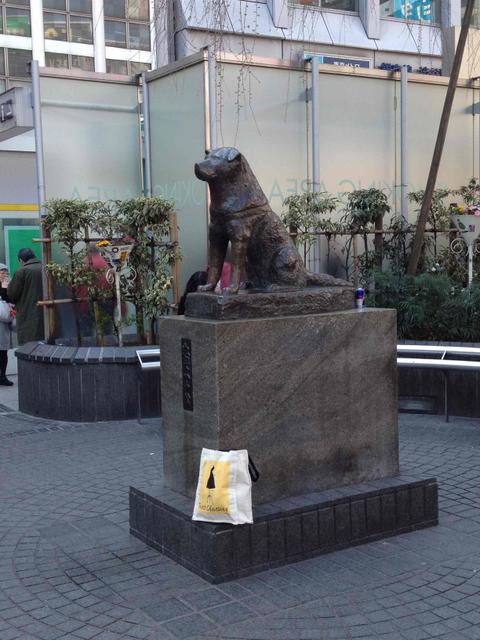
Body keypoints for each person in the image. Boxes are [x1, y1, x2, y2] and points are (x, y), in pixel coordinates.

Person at [7, 248, 44, 346]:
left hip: (28, 316)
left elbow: (12, 295)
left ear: (21, 260)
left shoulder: (21, 271)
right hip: (48, 314)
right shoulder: (45, 268)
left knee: (30, 349)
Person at [0, 263, 14, 385]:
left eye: (6, 272)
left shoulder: (7, 285)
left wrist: (5, 286)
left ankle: (2, 377)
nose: (5, 274)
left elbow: (9, 299)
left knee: (3, 352)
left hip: (3, 324)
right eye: (2, 272)